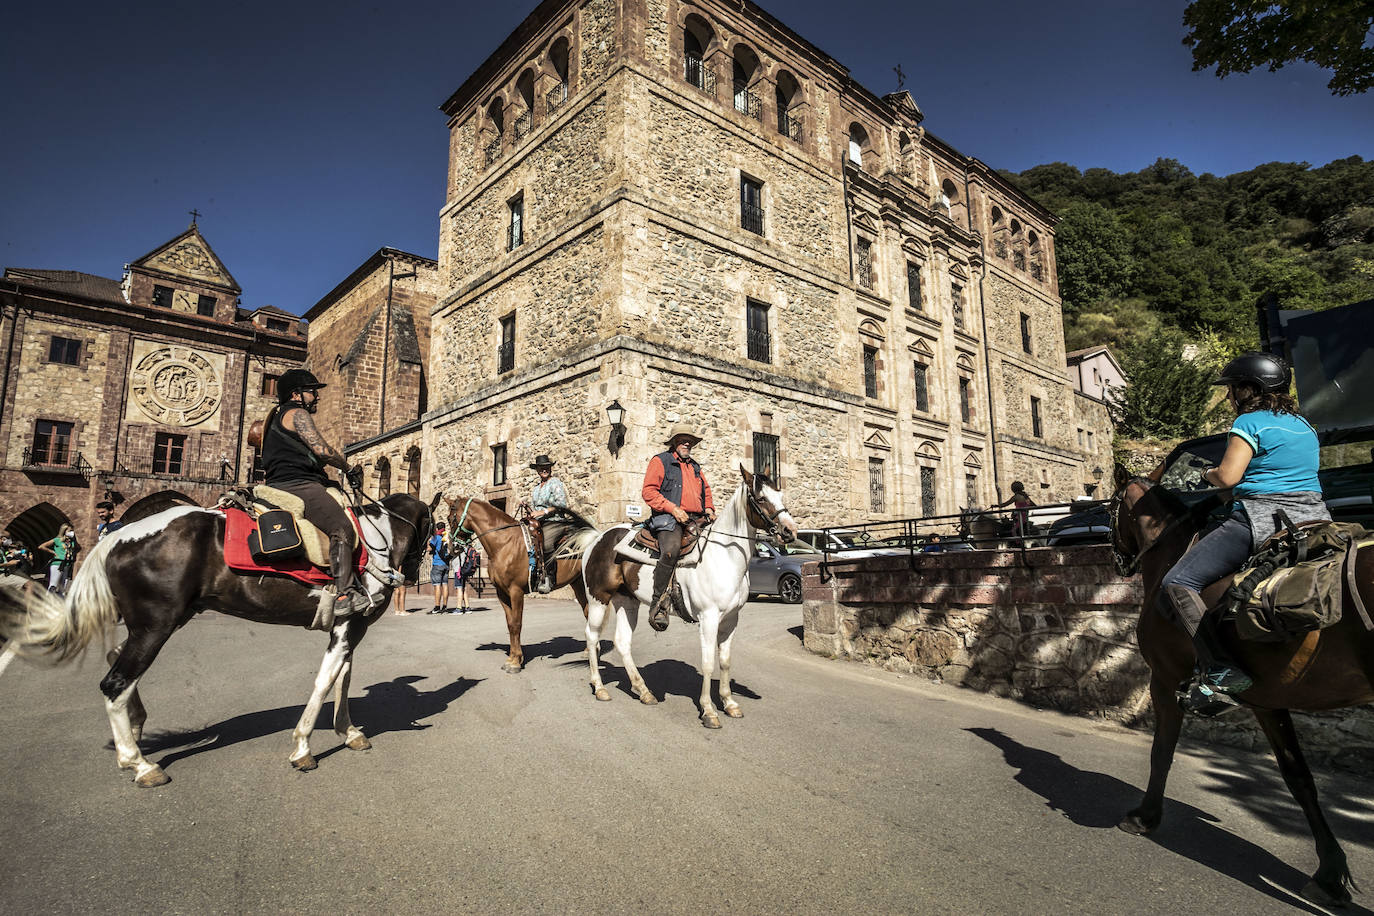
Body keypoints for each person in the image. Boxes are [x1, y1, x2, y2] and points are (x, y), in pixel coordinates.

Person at [1160, 352, 1327, 707]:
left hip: (1262, 518)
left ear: (1251, 389)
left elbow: (1229, 478)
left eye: (1233, 389)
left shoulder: (1249, 423)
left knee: (1178, 581)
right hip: (1316, 519)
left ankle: (1221, 671)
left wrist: (1207, 473)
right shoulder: (1304, 425)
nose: (1230, 396)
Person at [261, 367, 369, 622]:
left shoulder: (276, 416)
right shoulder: (297, 413)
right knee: (342, 528)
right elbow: (321, 450)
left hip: (283, 481)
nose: (316, 396)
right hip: (297, 483)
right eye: (311, 391)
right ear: (296, 395)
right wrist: (348, 467)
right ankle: (345, 594)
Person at [641, 424, 716, 632]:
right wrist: (673, 509)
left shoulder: (696, 467)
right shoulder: (660, 461)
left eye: (690, 440)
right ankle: (658, 604)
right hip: (669, 520)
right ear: (674, 441)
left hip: (696, 519)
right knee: (670, 551)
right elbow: (649, 492)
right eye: (683, 439)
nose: (687, 443)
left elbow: (706, 491)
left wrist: (709, 508)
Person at [525, 454, 568, 593]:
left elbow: (561, 505)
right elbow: (535, 510)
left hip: (555, 521)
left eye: (546, 467)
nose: (544, 470)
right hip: (538, 523)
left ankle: (550, 578)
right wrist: (528, 508)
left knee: (547, 543)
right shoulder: (536, 489)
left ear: (550, 468)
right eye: (541, 468)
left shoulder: (555, 483)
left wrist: (542, 512)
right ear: (537, 470)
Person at [38, 525, 78, 595]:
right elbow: (42, 546)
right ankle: (49, 599)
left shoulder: (71, 542)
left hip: (67, 564)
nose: (71, 532)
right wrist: (53, 552)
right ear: (64, 531)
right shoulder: (57, 540)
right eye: (69, 531)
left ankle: (61, 602)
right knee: (53, 584)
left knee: (63, 586)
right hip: (58, 563)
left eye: (72, 531)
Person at [427, 522, 451, 614]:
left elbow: (430, 549)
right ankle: (444, 607)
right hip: (446, 563)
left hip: (437, 564)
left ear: (437, 528)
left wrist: (428, 542)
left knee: (437, 586)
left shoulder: (436, 537)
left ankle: (437, 607)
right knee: (445, 585)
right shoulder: (446, 537)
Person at [451, 537, 478, 613]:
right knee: (463, 588)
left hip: (458, 570)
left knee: (459, 588)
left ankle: (459, 608)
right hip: (464, 569)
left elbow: (450, 552)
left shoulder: (457, 546)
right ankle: (467, 607)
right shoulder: (467, 547)